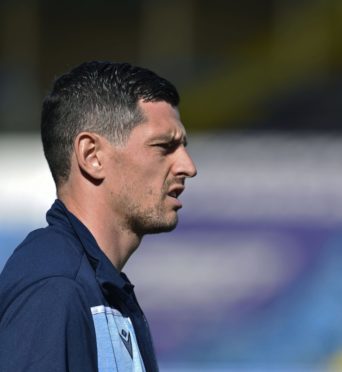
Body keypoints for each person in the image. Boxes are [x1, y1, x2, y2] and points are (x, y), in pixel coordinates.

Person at [0, 61, 197, 371]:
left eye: (183, 146)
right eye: (164, 146)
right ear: (92, 156)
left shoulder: (103, 289)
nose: (188, 166)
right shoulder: (55, 289)